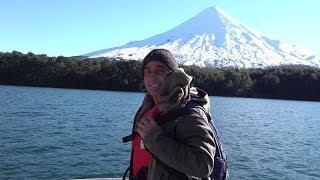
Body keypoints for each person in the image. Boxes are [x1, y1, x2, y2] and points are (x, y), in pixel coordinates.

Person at [123, 49, 226, 180]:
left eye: (160, 71)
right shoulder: (149, 105)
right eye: (147, 71)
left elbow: (203, 166)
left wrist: (154, 138)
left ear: (173, 75)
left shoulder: (188, 112)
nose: (152, 77)